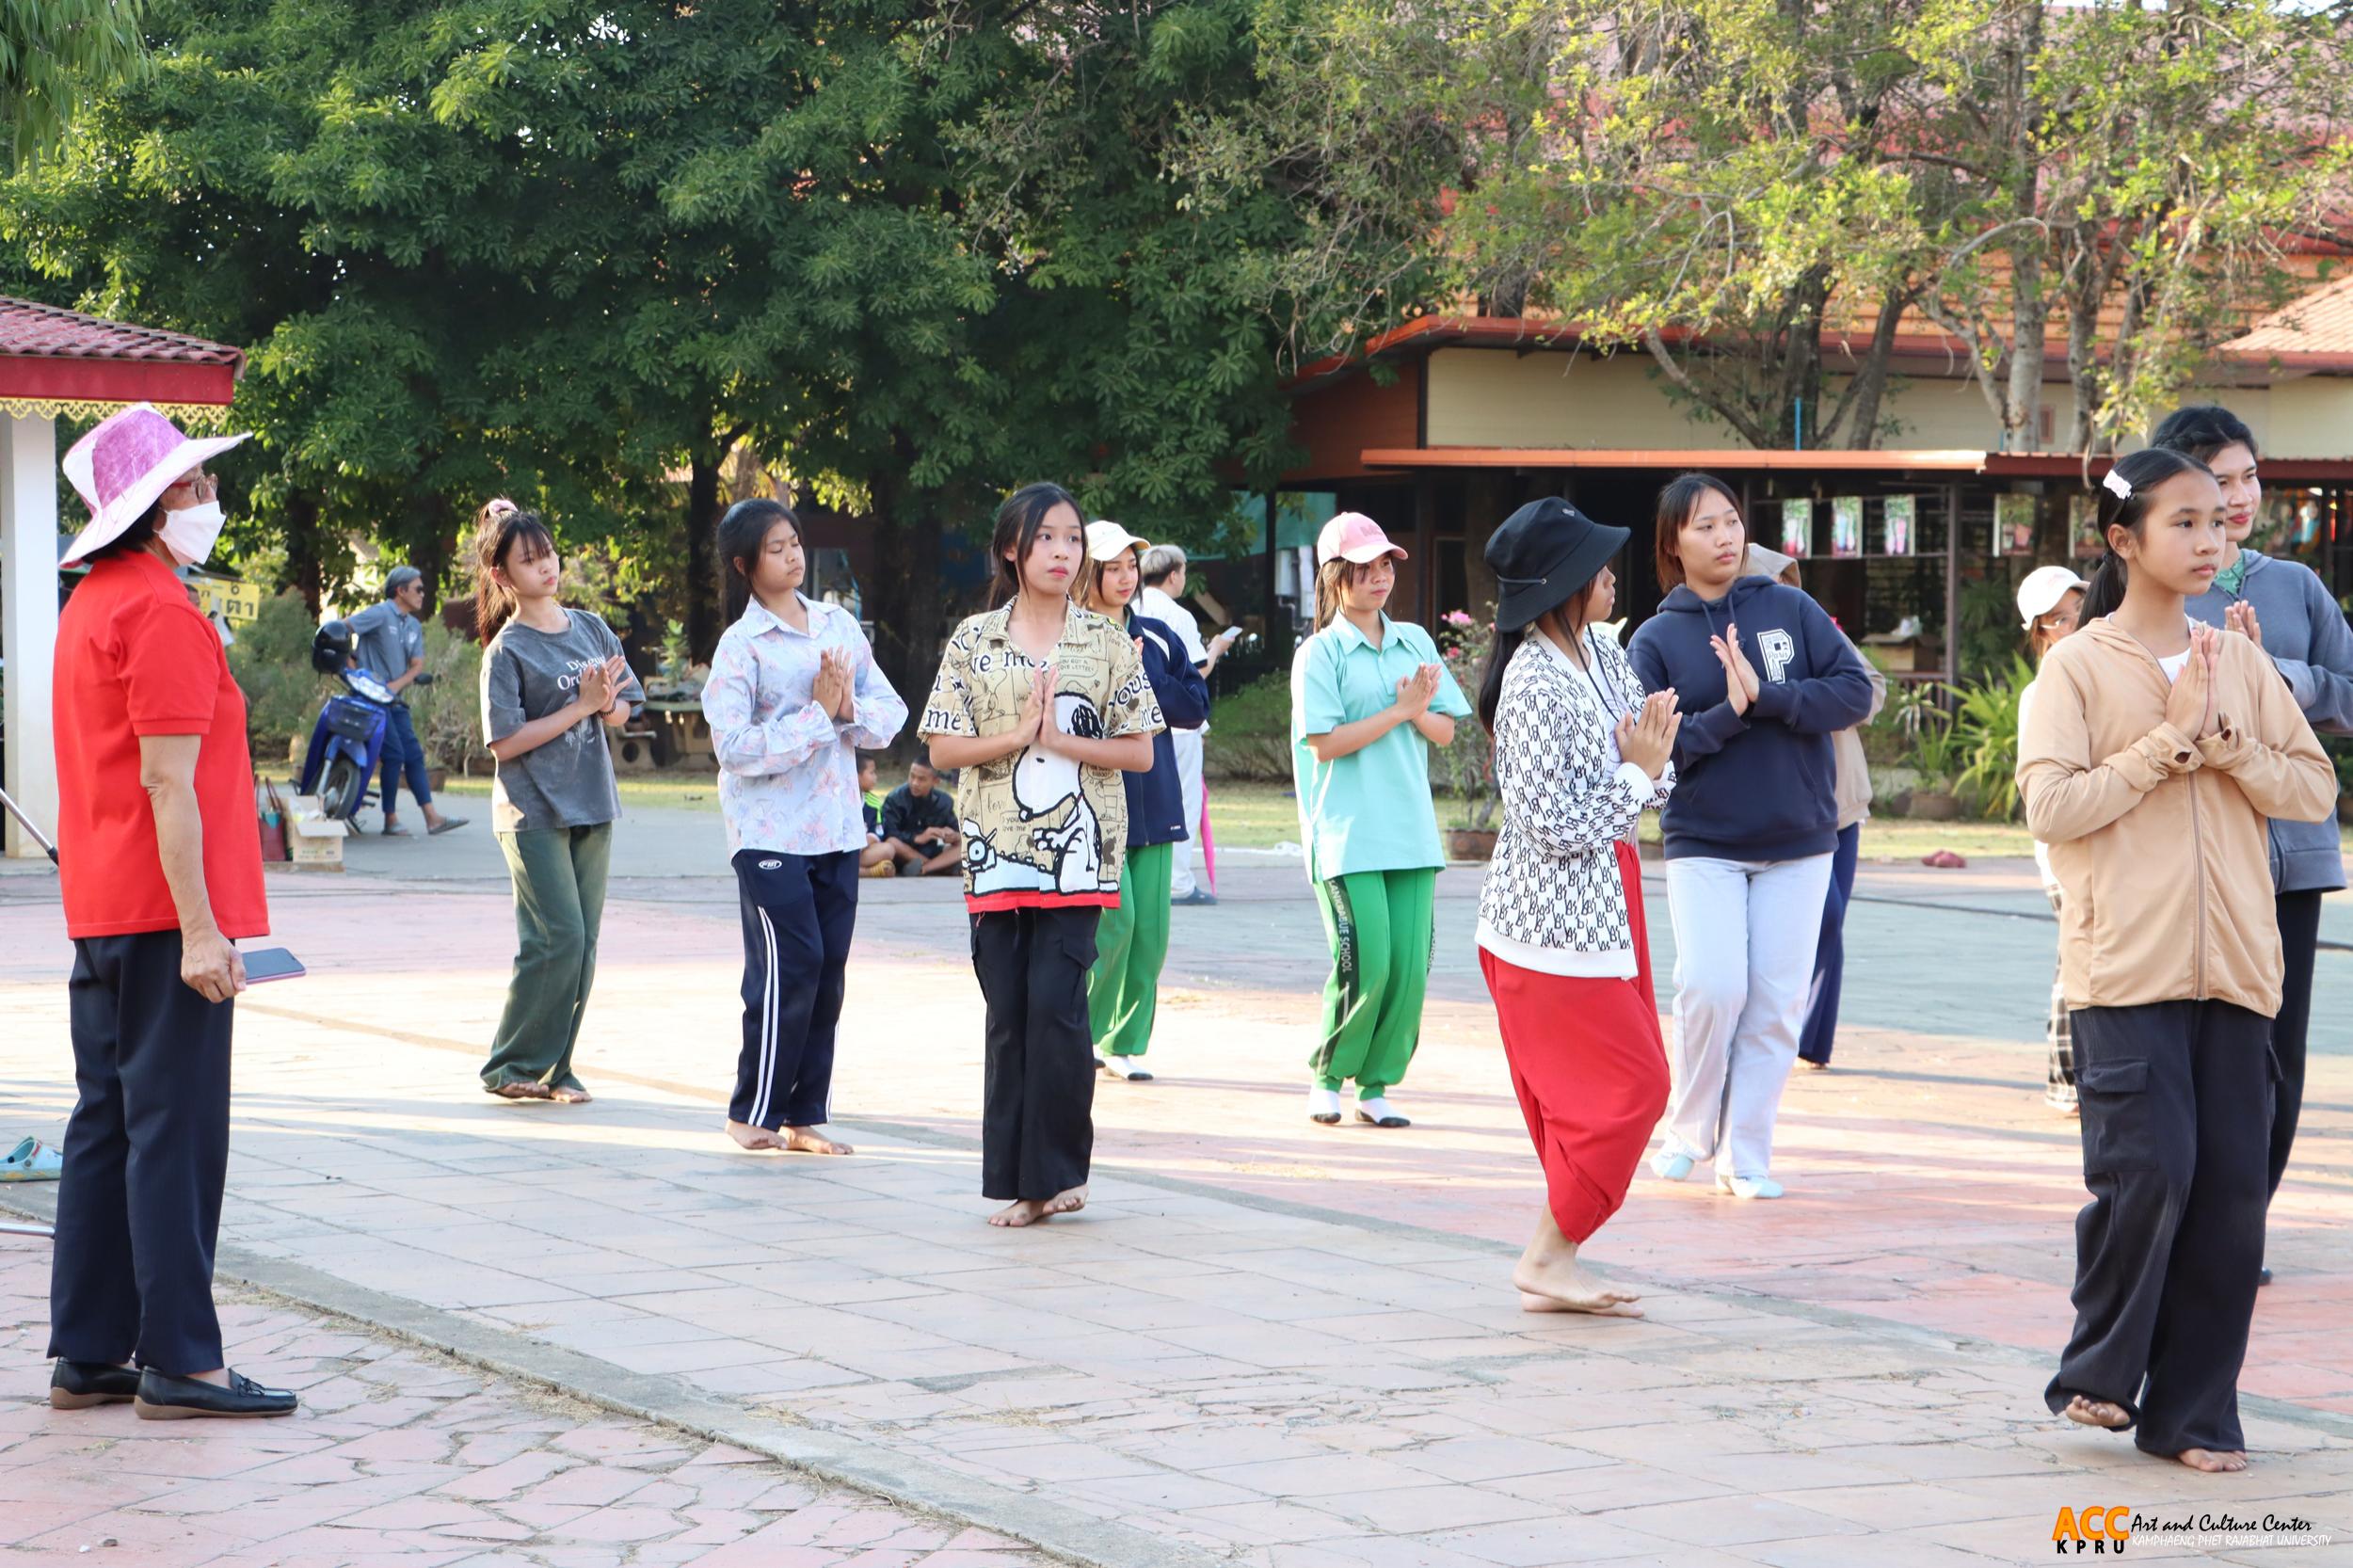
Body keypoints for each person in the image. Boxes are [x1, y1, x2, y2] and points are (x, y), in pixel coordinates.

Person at [2019, 446, 2332, 1473]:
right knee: (2149, 1170)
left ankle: (2193, 1414)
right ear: (2124, 539)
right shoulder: (2072, 667)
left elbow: (2310, 788)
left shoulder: (2235, 658)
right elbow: (2055, 805)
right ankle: (2100, 1370)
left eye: (2219, 522)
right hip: (2125, 966)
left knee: (2232, 1190)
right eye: (2185, 523)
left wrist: (2226, 740)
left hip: (2238, 965)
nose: (2211, 540)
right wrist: (2167, 743)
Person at [47, 403, 296, 1418]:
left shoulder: (93, 602)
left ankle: (91, 1349)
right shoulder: (161, 611)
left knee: (107, 1124)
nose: (209, 499)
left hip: (103, 903)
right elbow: (168, 782)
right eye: (196, 485)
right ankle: (183, 1360)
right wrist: (203, 927)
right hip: (163, 911)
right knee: (174, 1132)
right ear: (159, 507)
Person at [920, 483, 1161, 1226]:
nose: (1063, 552)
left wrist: (1060, 741)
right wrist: (1019, 737)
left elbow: (1141, 752)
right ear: (1012, 551)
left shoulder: (1108, 640)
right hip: (994, 860)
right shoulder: (972, 640)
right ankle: (1016, 1183)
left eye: (1072, 539)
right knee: (1009, 1017)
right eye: (1048, 538)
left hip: (1078, 862)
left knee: (1058, 1012)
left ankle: (1054, 1178)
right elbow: (941, 747)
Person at [1627, 475, 1876, 1198]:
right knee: (1711, 986)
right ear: (1673, 542)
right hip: (1704, 840)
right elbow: (1658, 748)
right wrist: (1731, 713)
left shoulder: (1790, 607)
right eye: (1705, 527)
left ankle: (1747, 1152)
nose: (1725, 537)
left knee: (1775, 1003)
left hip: (1801, 840)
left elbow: (1854, 691)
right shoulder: (1656, 637)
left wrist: (1769, 697)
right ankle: (1688, 1127)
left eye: (1731, 521)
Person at [2153, 404, 2353, 1286]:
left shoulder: (2294, 587)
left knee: (2278, 1053)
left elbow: (2347, 691)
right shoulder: (2156, 590)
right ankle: (2183, 1220)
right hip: (2189, 861)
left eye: (2246, 478)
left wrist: (2277, 676)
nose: (2235, 500)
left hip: (2291, 860)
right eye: (2215, 483)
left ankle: (2241, 1228)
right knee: (2198, 1054)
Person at [1475, 498, 1678, 1317]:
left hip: (1605, 909)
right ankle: (1547, 1255)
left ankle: (1554, 1256)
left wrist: (1641, 773)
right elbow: (1549, 822)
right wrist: (1634, 777)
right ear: (1558, 581)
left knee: (1610, 1095)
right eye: (1593, 562)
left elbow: (1658, 764)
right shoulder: (1529, 681)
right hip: (1544, 929)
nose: (1609, 572)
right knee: (1633, 1089)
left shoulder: (1601, 647)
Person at [702, 498, 906, 1157]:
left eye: (795, 543)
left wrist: (845, 709)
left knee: (829, 969)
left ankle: (803, 1115)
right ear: (745, 566)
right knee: (793, 961)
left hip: (836, 828)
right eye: (775, 549)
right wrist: (820, 717)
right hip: (768, 833)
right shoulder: (740, 648)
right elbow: (734, 747)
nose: (792, 557)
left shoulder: (837, 625)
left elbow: (887, 711)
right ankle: (751, 1111)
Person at [1290, 512, 1472, 1129]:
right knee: (1365, 962)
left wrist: (1415, 712)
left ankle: (1376, 1082)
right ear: (1336, 578)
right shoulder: (1319, 652)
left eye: (1385, 565)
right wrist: (1400, 711)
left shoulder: (1416, 641)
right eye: (1364, 568)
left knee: (1409, 968)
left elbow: (1444, 730)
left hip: (1411, 831)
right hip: (1346, 833)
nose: (1379, 578)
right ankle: (1327, 1075)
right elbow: (1324, 743)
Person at [473, 499, 644, 1104]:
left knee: (584, 942)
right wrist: (580, 705)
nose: (546, 566)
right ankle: (511, 1064)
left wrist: (604, 705)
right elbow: (505, 742)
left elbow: (626, 709)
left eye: (547, 552)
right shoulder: (507, 650)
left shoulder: (592, 628)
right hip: (531, 813)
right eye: (529, 559)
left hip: (593, 802)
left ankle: (557, 1068)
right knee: (557, 937)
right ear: (502, 576)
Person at [1746, 546, 1888, 1072]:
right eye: (1768, 582)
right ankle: (1773, 1027)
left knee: (1830, 919)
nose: (1780, 592)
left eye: (1786, 581)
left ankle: (1810, 1040)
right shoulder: (1730, 636)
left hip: (1839, 800)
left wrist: (1804, 702)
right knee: (1807, 918)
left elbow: (1870, 688)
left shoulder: (1818, 627)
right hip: (1777, 803)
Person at [1079, 521, 1210, 1081]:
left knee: (1151, 934)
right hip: (1094, 804)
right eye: (1112, 567)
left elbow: (1194, 705)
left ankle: (1125, 1043)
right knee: (1116, 925)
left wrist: (1140, 677)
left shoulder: (1158, 636)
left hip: (1156, 803)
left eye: (1131, 565)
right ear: (1089, 573)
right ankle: (1082, 1033)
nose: (1125, 576)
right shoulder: (1067, 636)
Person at [2016, 565, 2089, 1113]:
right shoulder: (2040, 694)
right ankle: (2065, 1078)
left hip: (2106, 846)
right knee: (2078, 959)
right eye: (2059, 620)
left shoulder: (2105, 672)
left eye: (2078, 611)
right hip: (2066, 850)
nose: (2073, 625)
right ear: (2040, 633)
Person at [1138, 543, 1241, 904]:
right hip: (1179, 723)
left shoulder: (1131, 607)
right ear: (1173, 574)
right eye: (1182, 571)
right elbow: (1197, 671)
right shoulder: (1178, 615)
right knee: (1182, 800)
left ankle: (1149, 880)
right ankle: (1179, 882)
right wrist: (1215, 648)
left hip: (1137, 723)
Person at [346, 564, 466, 838]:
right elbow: (340, 630)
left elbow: (417, 664)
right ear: (400, 590)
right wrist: (354, 672)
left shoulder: (412, 624)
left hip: (393, 699)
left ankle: (432, 818)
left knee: (413, 755)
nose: (423, 594)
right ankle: (391, 819)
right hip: (372, 698)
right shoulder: (379, 613)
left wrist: (393, 687)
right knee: (394, 754)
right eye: (418, 589)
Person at [877, 755, 964, 876]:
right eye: (912, 776)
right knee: (892, 842)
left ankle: (925, 868)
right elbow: (889, 834)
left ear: (936, 781)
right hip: (904, 853)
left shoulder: (944, 802)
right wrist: (918, 838)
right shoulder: (895, 799)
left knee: (965, 844)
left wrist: (953, 836)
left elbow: (958, 834)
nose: (915, 783)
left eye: (921, 779)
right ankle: (940, 867)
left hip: (933, 852)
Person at [856, 755, 897, 877]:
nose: (876, 777)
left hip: (861, 851)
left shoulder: (873, 803)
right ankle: (870, 872)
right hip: (839, 852)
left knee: (888, 849)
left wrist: (862, 844)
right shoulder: (838, 801)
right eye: (872, 773)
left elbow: (876, 833)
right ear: (856, 775)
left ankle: (850, 870)